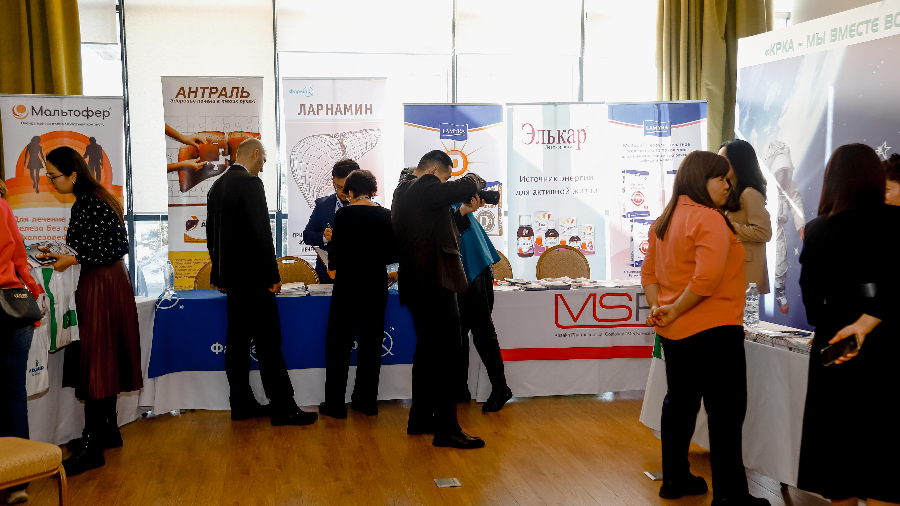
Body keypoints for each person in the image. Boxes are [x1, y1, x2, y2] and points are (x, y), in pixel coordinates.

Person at [642, 151, 768, 506]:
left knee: (679, 404)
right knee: (725, 414)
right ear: (701, 180)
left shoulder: (664, 219)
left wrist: (661, 309)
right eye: (721, 179)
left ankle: (675, 479)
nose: (728, 186)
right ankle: (731, 497)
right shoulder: (709, 218)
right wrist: (672, 309)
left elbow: (649, 274)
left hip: (676, 332)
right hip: (715, 329)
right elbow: (707, 279)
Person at [797, 143, 900, 506]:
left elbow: (811, 298)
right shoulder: (896, 223)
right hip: (888, 346)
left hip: (835, 344)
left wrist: (831, 326)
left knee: (837, 452)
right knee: (886, 454)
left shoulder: (818, 229)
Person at [39, 146, 143, 477]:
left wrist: (72, 258)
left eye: (54, 176)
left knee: (97, 359)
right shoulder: (96, 197)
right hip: (110, 280)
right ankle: (106, 431)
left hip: (100, 282)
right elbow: (104, 244)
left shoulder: (88, 201)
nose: (51, 181)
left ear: (72, 174)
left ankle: (93, 447)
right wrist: (67, 253)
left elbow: (115, 246)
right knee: (106, 356)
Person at [206, 138, 317, 427]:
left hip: (233, 282)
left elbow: (212, 236)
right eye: (264, 160)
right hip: (256, 280)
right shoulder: (250, 183)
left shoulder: (217, 185)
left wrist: (220, 274)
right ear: (255, 154)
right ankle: (284, 408)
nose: (263, 167)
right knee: (269, 343)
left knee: (237, 342)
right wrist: (273, 276)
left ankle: (241, 404)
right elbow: (261, 234)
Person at [392, 150, 486, 450]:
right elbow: (462, 186)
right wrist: (475, 181)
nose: (444, 186)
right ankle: (447, 429)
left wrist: (463, 212)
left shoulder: (406, 192)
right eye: (445, 179)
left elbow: (437, 233)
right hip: (434, 281)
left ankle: (420, 418)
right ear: (434, 171)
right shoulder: (422, 185)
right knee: (447, 355)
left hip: (420, 282)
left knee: (428, 353)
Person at [318, 170, 398, 419]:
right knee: (372, 345)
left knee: (339, 345)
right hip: (375, 285)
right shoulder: (386, 214)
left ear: (350, 191)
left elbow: (336, 257)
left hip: (348, 286)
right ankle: (366, 401)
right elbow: (392, 253)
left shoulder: (344, 214)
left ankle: (335, 404)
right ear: (373, 190)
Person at [451, 196, 513, 412]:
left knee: (482, 330)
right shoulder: (438, 196)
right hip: (458, 269)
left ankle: (501, 388)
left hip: (475, 266)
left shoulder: (445, 194)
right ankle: (460, 387)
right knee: (458, 332)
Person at [1, 188, 42, 504]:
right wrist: (33, 292)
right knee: (14, 395)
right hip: (14, 309)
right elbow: (19, 258)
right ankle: (18, 481)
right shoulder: (3, 206)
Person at [720, 140, 773, 293]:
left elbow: (764, 232)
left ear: (738, 162)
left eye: (723, 161)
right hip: (735, 267)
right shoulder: (730, 192)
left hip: (748, 273)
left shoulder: (750, 193)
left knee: (748, 309)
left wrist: (727, 227)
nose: (719, 165)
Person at [763, 140, 805, 315]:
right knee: (756, 262)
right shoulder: (760, 184)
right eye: (781, 174)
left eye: (786, 174)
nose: (784, 178)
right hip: (759, 230)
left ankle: (780, 291)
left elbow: (796, 204)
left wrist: (800, 224)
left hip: (777, 231)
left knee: (780, 263)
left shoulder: (789, 186)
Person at [302, 159, 357, 284]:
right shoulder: (322, 205)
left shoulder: (367, 207)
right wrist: (324, 236)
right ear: (333, 181)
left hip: (356, 275)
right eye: (339, 187)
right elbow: (307, 236)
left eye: (347, 187)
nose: (342, 192)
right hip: (326, 275)